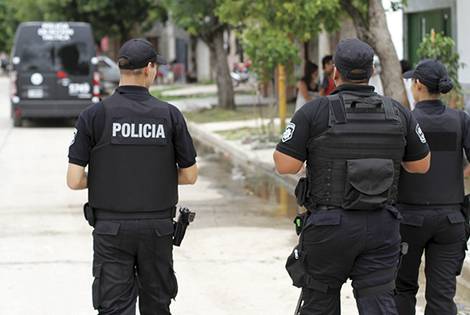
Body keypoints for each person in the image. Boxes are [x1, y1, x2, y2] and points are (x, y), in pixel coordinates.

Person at [273, 38, 431, 315]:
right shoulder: (398, 112)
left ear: (334, 72)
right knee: (380, 306)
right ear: (371, 71)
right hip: (382, 227)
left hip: (328, 228)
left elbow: (285, 165)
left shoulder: (314, 111)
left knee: (320, 303)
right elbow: (421, 166)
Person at [66, 38, 198, 315]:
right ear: (150, 69)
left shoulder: (94, 115)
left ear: (119, 67)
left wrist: (109, 175)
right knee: (157, 307)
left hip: (111, 230)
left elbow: (74, 180)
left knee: (114, 309)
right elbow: (189, 176)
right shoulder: (170, 115)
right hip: (157, 229)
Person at [394, 58, 470, 315]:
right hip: (451, 220)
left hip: (408, 219)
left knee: (402, 290)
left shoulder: (405, 119)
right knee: (442, 296)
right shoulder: (461, 120)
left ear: (418, 85)